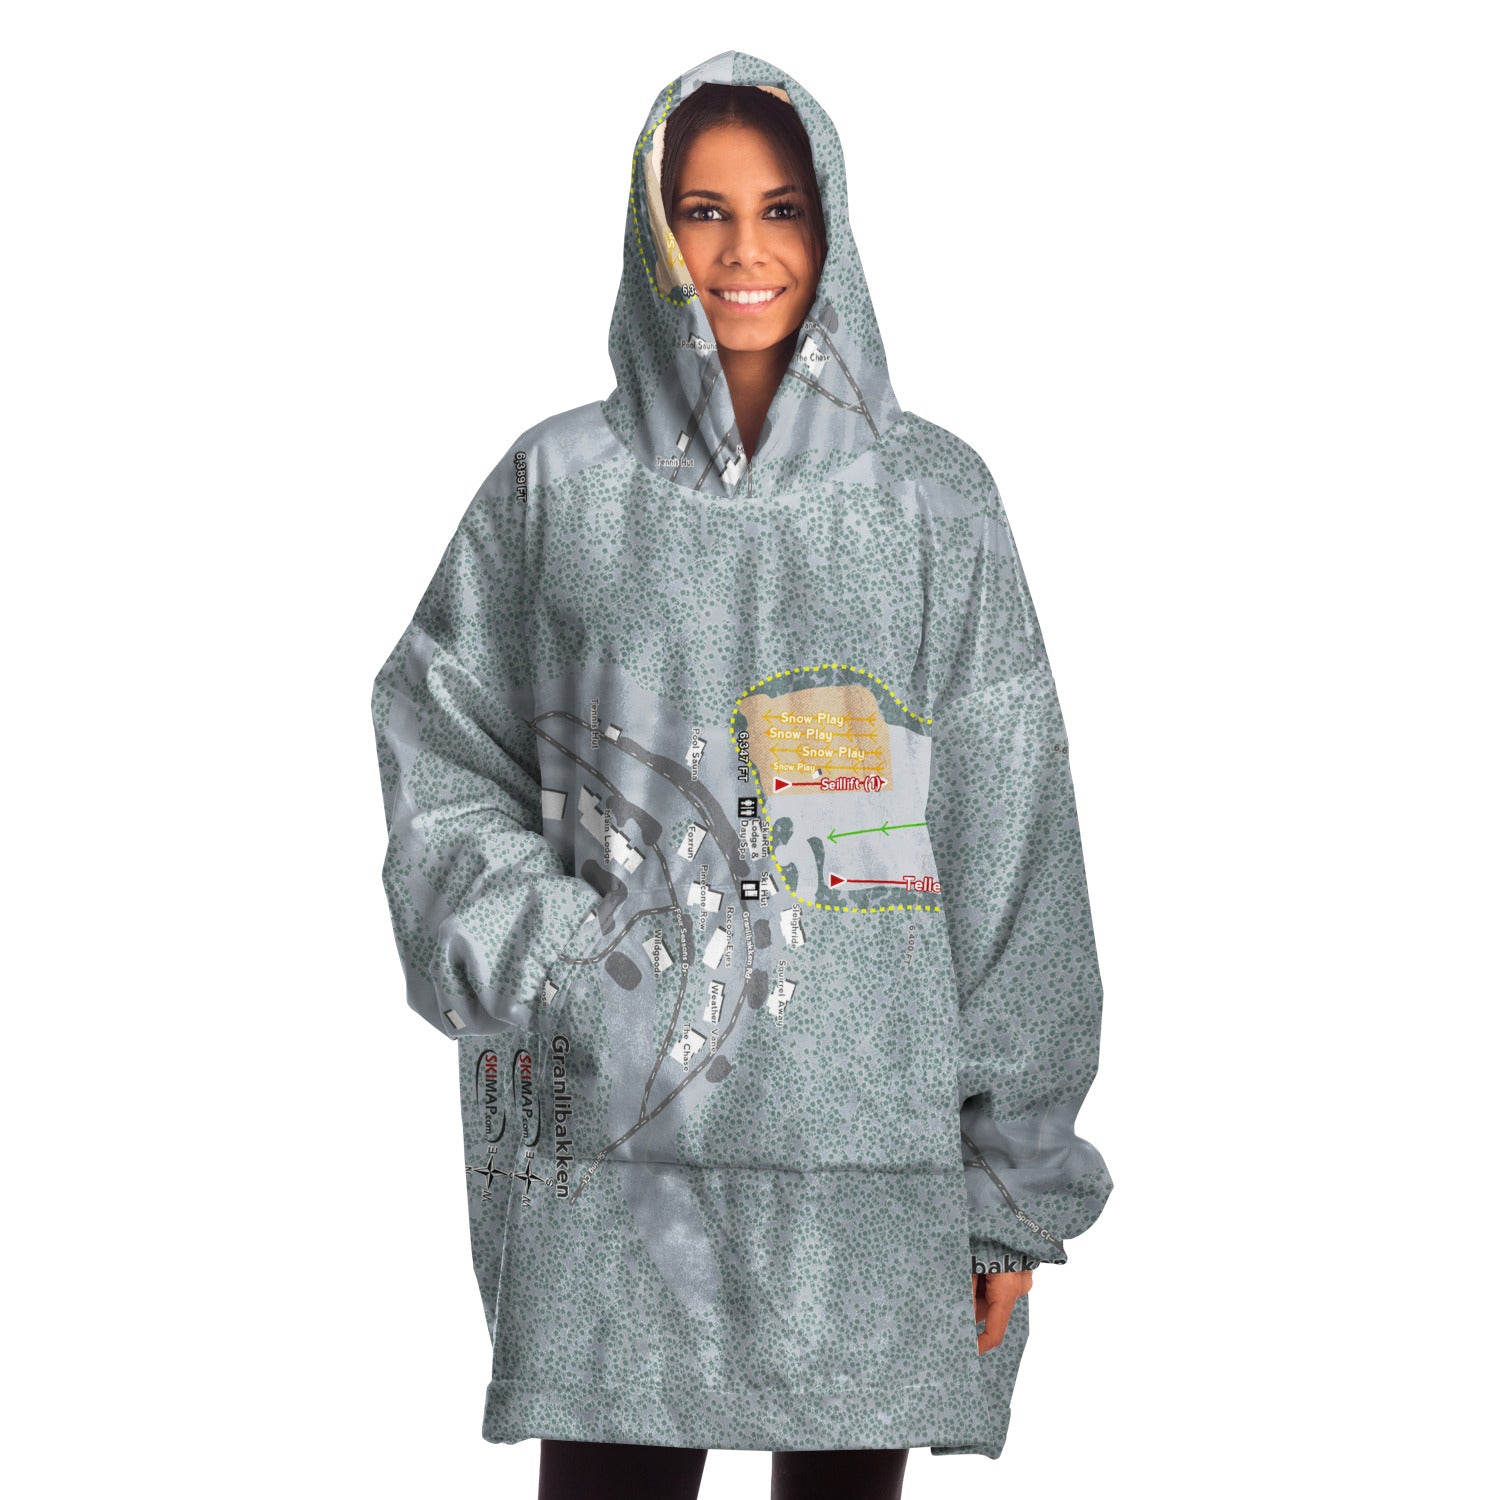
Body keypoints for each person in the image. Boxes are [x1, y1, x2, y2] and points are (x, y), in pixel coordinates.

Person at [370, 50, 1112, 1500]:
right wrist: (559, 952)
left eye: (781, 208)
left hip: (870, 1185)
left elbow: (1013, 834)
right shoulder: (556, 489)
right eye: (702, 211)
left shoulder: (935, 504)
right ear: (653, 232)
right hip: (614, 1170)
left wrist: (1012, 1188)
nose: (744, 250)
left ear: (831, 226)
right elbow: (438, 742)